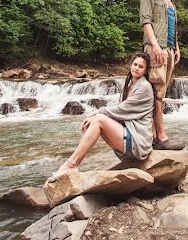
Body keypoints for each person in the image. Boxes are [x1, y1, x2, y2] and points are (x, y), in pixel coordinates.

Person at [48, 52, 156, 181]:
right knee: (96, 120)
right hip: (129, 137)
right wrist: (96, 116)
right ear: (131, 65)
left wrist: (98, 112)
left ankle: (71, 165)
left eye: (141, 66)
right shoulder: (131, 84)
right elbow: (120, 113)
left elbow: (123, 109)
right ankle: (73, 164)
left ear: (145, 70)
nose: (136, 68)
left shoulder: (144, 87)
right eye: (135, 64)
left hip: (138, 142)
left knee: (98, 119)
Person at [140, 0, 185, 150]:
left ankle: (153, 136)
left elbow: (171, 26)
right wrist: (156, 46)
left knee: (160, 94)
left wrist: (176, 47)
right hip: (156, 49)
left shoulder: (170, 0)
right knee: (155, 92)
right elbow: (145, 22)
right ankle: (160, 137)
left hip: (168, 51)